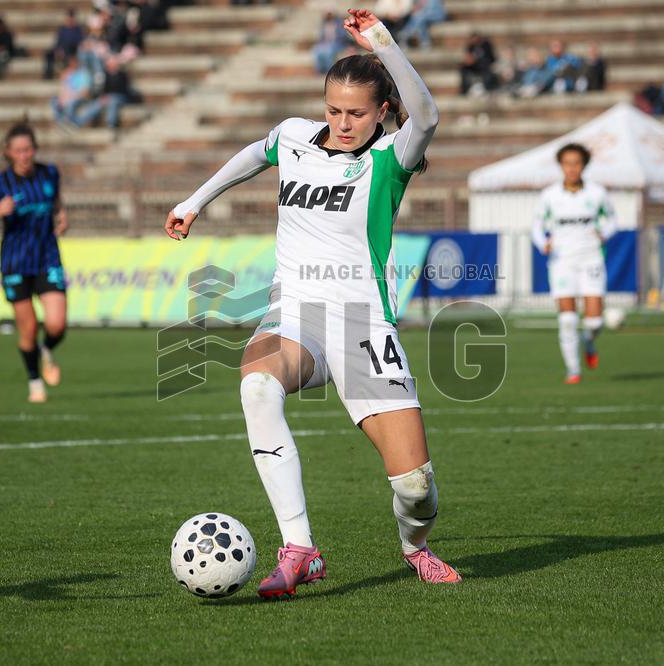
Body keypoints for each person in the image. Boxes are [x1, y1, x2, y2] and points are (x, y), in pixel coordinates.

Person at [165, 9, 459, 597]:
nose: (342, 122)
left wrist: (383, 43)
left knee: (416, 488)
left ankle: (414, 547)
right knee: (255, 385)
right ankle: (300, 548)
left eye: (356, 113)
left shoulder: (390, 159)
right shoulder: (295, 136)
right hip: (295, 309)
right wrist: (194, 203)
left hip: (363, 324)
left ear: (381, 112)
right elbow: (254, 153)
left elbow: (426, 113)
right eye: (334, 110)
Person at [0, 124, 69, 403]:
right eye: (18, 150)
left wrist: (62, 215)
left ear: (35, 149)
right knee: (27, 328)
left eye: (28, 149)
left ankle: (45, 349)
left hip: (47, 256)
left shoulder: (49, 173)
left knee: (57, 325)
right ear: (8, 152)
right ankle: (34, 383)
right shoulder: (0, 184)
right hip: (15, 262)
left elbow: (55, 201)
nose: (24, 155)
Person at [532, 143, 618, 383]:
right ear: (561, 166)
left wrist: (604, 233)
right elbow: (537, 227)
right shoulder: (549, 196)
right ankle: (573, 370)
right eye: (567, 163)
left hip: (591, 257)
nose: (572, 168)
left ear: (584, 165)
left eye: (577, 163)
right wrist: (543, 243)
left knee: (594, 322)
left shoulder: (597, 193)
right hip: (562, 261)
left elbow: (612, 220)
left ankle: (588, 340)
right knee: (568, 319)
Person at [74, 56, 131, 132]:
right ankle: (78, 122)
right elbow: (100, 90)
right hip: (107, 97)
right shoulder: (104, 76)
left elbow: (124, 90)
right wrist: (102, 97)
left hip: (119, 97)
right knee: (97, 104)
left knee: (113, 102)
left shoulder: (122, 75)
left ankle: (111, 124)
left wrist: (109, 96)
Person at [50, 56, 92, 128]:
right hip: (69, 97)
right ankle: (60, 122)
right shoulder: (68, 74)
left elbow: (85, 91)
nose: (72, 65)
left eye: (74, 63)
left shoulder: (84, 74)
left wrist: (71, 98)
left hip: (79, 97)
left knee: (70, 104)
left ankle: (69, 123)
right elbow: (64, 89)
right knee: (54, 101)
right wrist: (62, 99)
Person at [43, 9, 84, 80]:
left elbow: (79, 42)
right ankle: (48, 74)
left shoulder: (78, 30)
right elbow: (57, 42)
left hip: (72, 51)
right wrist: (57, 50)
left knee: (68, 51)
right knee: (48, 54)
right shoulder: (62, 29)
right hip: (61, 50)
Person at [312, 7, 347, 74]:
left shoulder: (339, 23)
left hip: (338, 44)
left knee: (329, 52)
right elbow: (321, 37)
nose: (328, 15)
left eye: (329, 13)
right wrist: (321, 44)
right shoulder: (324, 24)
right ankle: (319, 71)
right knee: (316, 50)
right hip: (326, 44)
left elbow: (343, 36)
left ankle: (329, 71)